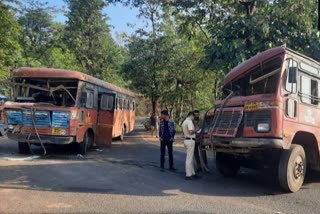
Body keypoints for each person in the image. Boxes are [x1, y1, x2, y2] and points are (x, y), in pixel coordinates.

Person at [182, 111, 200, 180]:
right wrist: (196, 130)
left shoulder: (184, 122)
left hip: (187, 140)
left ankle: (192, 173)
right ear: (191, 116)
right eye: (193, 117)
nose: (194, 118)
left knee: (190, 157)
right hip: (190, 140)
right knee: (189, 158)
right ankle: (188, 174)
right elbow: (190, 131)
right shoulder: (189, 122)